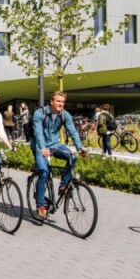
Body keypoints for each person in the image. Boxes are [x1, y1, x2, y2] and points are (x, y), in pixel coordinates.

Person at [31, 91, 85, 220]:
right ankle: (40, 206)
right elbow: (38, 133)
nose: (61, 104)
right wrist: (43, 148)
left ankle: (63, 185)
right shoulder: (40, 113)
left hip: (55, 144)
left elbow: (72, 131)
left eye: (62, 102)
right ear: (52, 102)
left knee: (73, 157)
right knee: (43, 172)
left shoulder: (65, 115)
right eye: (58, 101)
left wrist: (80, 148)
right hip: (40, 145)